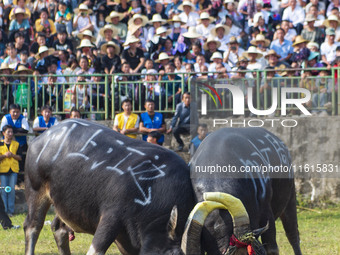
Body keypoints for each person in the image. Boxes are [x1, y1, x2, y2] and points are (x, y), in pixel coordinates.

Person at [0, 125, 22, 216]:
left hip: (13, 170)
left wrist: (12, 155)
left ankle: (10, 211)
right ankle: (4, 211)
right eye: (8, 132)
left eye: (11, 132)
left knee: (12, 190)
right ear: (3, 133)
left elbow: (20, 157)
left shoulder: (16, 144)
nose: (10, 134)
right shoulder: (0, 143)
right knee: (4, 191)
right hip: (3, 170)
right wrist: (5, 155)